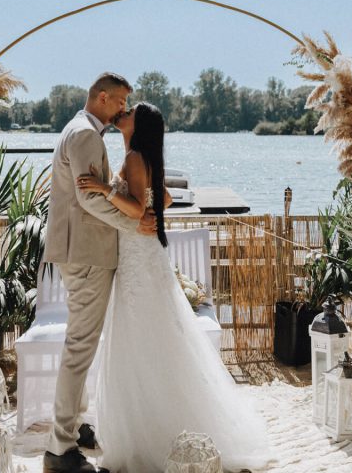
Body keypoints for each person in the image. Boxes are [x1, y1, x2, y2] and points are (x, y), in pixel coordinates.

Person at [77, 102, 270, 473]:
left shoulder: (135, 157)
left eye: (129, 111)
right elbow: (161, 199)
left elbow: (138, 209)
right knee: (157, 335)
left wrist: (104, 189)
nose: (123, 113)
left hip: (137, 255)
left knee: (137, 337)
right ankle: (166, 419)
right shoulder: (145, 157)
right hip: (147, 255)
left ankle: (145, 432)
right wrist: (144, 204)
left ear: (140, 124)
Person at [43, 73, 157, 473]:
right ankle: (59, 449)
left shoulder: (80, 131)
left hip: (83, 250)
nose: (124, 108)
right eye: (121, 101)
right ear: (103, 97)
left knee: (83, 344)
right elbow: (89, 200)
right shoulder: (85, 135)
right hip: (86, 252)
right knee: (79, 347)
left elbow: (97, 192)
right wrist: (134, 223)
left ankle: (74, 427)